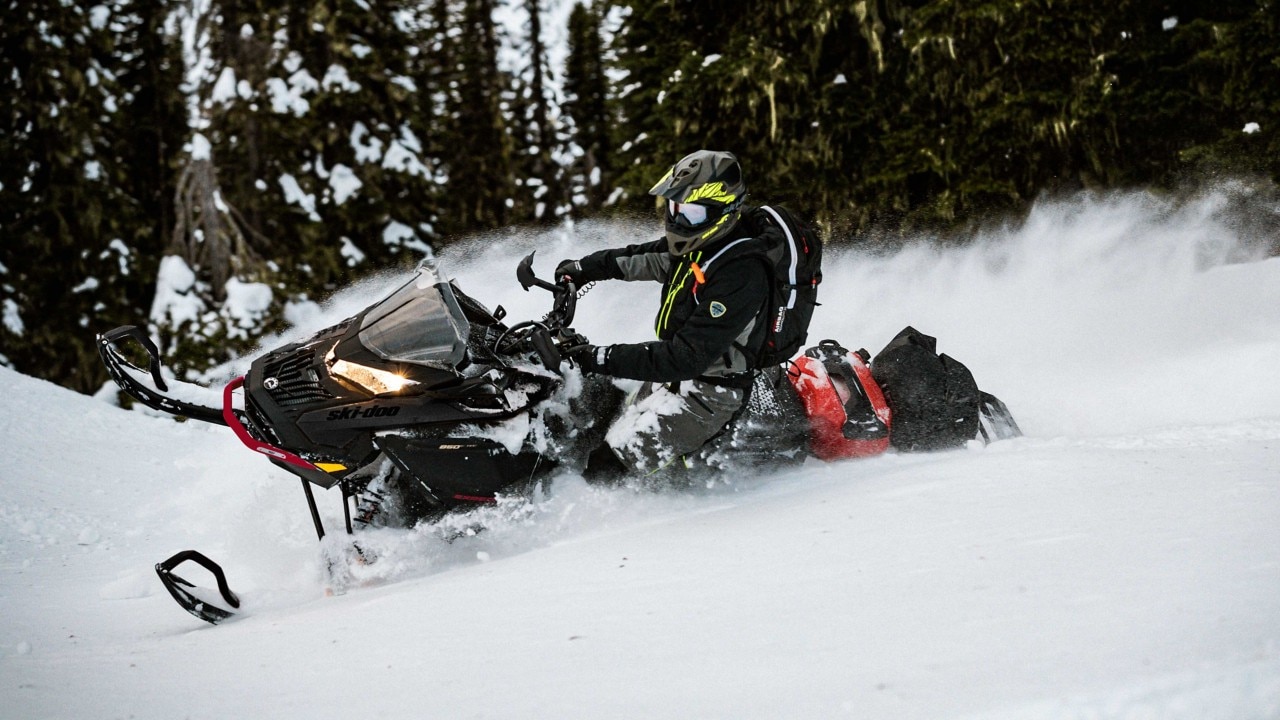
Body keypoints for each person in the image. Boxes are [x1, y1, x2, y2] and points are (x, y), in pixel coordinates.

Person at [556, 149, 779, 477]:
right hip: (680, 379)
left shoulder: (741, 272)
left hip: (712, 393)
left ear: (724, 211)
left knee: (605, 468)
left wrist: (596, 357)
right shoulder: (699, 247)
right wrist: (583, 269)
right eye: (675, 209)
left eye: (691, 213)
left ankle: (620, 519)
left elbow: (686, 357)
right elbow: (643, 257)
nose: (679, 221)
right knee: (595, 424)